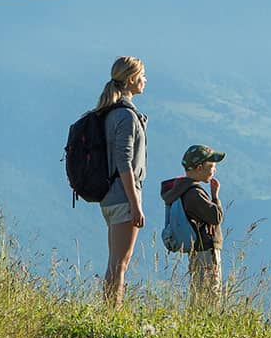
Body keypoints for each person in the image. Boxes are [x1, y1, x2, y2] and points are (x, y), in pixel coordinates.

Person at [97, 56, 148, 306]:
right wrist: (135, 203)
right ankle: (111, 314)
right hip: (123, 196)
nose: (145, 80)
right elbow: (124, 161)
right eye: (142, 75)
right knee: (120, 264)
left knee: (115, 262)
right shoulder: (126, 116)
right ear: (131, 79)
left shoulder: (110, 113)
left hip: (109, 196)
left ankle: (110, 312)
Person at [160, 144, 226, 306]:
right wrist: (215, 196)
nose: (214, 170)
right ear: (199, 168)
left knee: (199, 290)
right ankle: (206, 323)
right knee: (210, 294)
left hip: (197, 251)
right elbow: (216, 217)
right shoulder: (194, 193)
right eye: (211, 166)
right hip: (206, 251)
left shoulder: (181, 190)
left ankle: (196, 320)